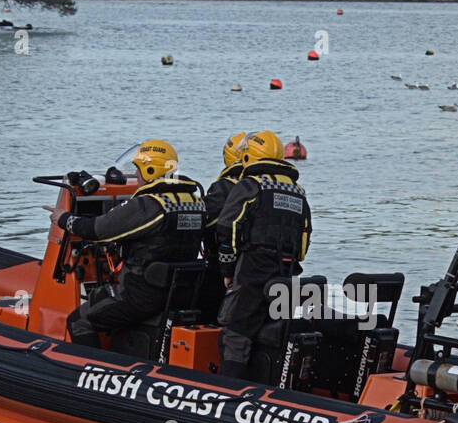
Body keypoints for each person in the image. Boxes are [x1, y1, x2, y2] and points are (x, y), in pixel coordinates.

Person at [49, 140, 205, 347]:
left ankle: (94, 372)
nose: (137, 176)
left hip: (141, 295)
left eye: (138, 170)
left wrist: (63, 219)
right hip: (179, 293)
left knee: (78, 321)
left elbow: (97, 230)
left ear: (150, 170)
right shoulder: (195, 201)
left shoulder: (150, 204)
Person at [215, 130, 312, 380]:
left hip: (253, 269)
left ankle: (228, 393)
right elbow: (304, 238)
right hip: (287, 272)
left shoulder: (251, 184)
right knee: (271, 331)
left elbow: (227, 226)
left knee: (235, 334)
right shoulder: (297, 191)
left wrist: (227, 270)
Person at [197, 132, 247, 321]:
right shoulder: (270, 186)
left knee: (203, 303)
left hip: (224, 268)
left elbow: (206, 219)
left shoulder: (225, 187)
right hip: (258, 267)